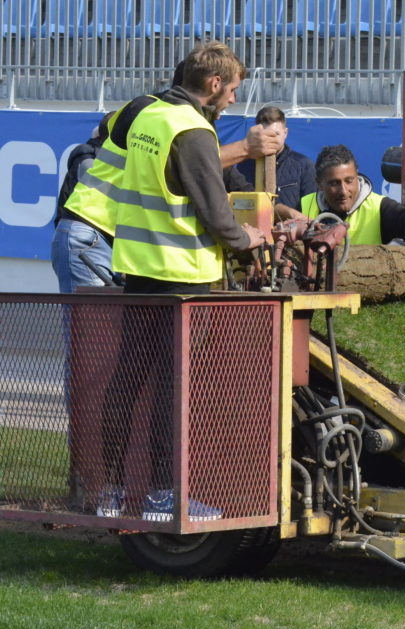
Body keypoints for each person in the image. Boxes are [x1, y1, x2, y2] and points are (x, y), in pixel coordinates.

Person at [98, 42, 272, 523]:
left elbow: (103, 135)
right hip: (183, 279)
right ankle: (161, 497)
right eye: (233, 89)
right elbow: (218, 215)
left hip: (137, 268)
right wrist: (249, 239)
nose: (234, 100)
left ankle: (109, 492)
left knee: (127, 384)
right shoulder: (193, 130)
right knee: (172, 395)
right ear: (214, 85)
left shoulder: (145, 113)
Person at [55, 64, 282, 293]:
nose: (232, 100)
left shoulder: (164, 117)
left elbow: (208, 171)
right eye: (231, 91)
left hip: (111, 240)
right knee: (92, 329)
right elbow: (194, 168)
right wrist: (244, 148)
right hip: (93, 231)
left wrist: (279, 210)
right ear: (209, 85)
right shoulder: (149, 112)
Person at [299, 144, 405, 261]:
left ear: (357, 177)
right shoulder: (303, 206)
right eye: (334, 183)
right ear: (319, 183)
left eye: (349, 181)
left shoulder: (378, 206)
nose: (343, 191)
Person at [50, 112, 118, 293]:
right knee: (89, 318)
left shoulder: (90, 158)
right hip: (91, 241)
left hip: (97, 240)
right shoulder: (90, 161)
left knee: (97, 317)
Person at [237, 105, 316, 217]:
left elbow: (311, 210)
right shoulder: (244, 166)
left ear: (285, 133)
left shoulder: (304, 166)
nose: (271, 139)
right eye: (266, 134)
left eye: (276, 134)